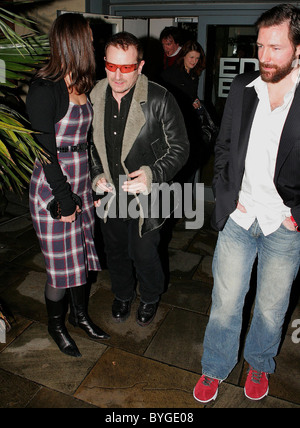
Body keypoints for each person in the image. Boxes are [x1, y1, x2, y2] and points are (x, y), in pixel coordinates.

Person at [193, 3, 300, 403]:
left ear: (298, 49)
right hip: (240, 217)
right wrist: (226, 195)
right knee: (224, 303)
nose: (265, 57)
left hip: (283, 225)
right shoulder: (243, 87)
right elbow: (223, 146)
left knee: (272, 309)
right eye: (260, 46)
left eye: (276, 48)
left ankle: (259, 362)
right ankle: (214, 368)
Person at [90, 32, 189, 326]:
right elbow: (88, 145)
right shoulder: (94, 95)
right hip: (112, 194)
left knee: (144, 252)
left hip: (149, 195)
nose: (118, 76)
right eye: (112, 66)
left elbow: (181, 148)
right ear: (104, 63)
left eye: (127, 68)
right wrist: (96, 175)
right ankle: (122, 294)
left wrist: (152, 174)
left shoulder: (159, 98)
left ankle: (149, 295)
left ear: (140, 66)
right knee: (115, 251)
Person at [26, 13, 110, 358]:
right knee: (61, 265)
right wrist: (64, 199)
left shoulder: (82, 83)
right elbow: (46, 153)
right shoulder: (45, 89)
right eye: (89, 40)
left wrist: (95, 178)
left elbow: (86, 142)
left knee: (81, 256)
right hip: (53, 185)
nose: (93, 45)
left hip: (80, 179)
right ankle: (56, 325)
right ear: (75, 43)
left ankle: (79, 316)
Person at [161, 40, 206, 182]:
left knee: (190, 164)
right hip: (175, 125)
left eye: (197, 58)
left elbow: (190, 95)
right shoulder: (171, 74)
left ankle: (183, 198)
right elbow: (167, 100)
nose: (194, 61)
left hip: (190, 124)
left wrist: (195, 102)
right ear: (184, 56)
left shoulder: (193, 75)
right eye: (191, 57)